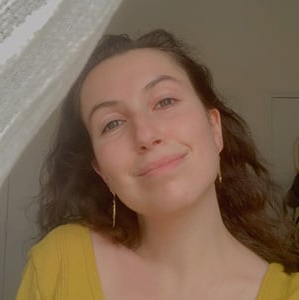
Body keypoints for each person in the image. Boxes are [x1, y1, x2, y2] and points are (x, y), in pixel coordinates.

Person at [16, 29, 299, 300]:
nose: (146, 135)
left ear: (214, 129)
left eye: (165, 101)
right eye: (112, 123)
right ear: (101, 170)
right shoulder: (58, 263)